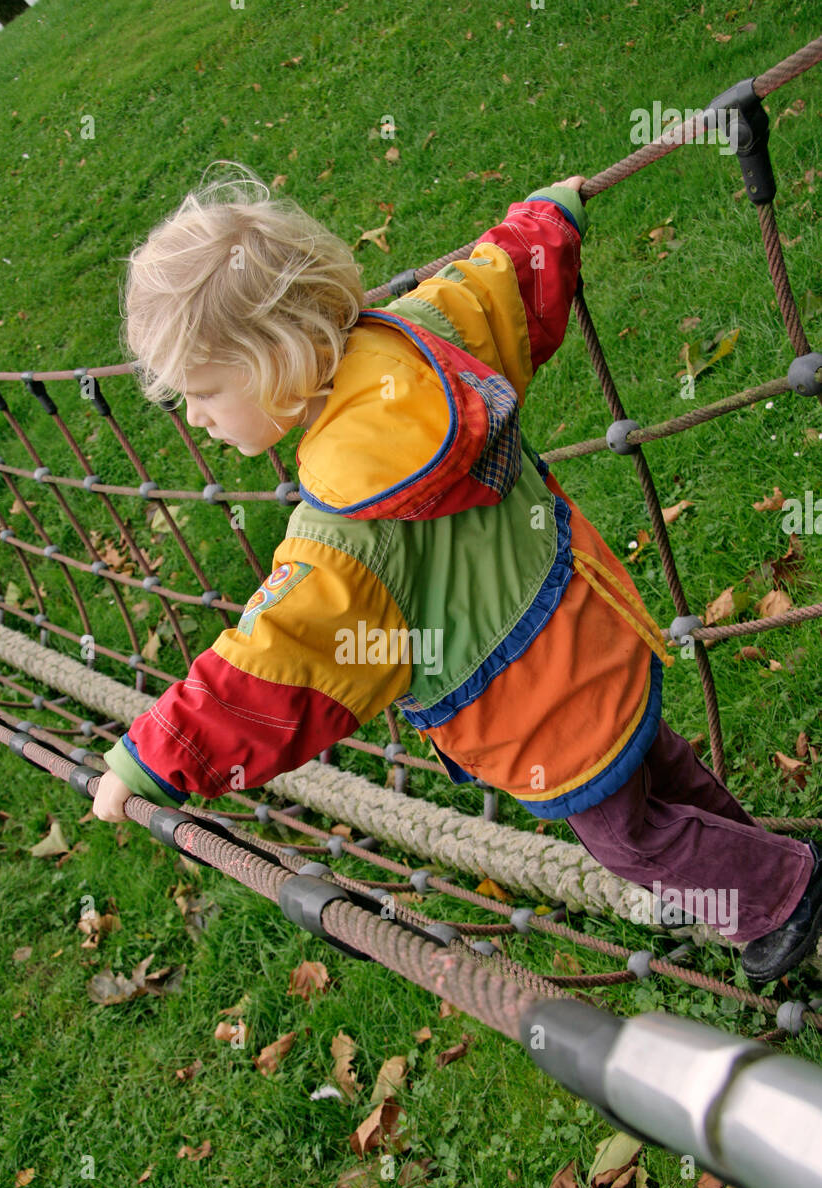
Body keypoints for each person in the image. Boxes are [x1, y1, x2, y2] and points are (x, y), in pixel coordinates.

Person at [92, 162, 822, 987]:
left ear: (276, 362)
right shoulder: (421, 336)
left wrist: (154, 758)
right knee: (658, 764)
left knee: (631, 840)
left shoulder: (342, 536)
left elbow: (273, 669)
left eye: (203, 392)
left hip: (540, 715)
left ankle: (780, 895)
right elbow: (499, 285)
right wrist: (549, 218)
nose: (195, 418)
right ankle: (773, 863)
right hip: (598, 619)